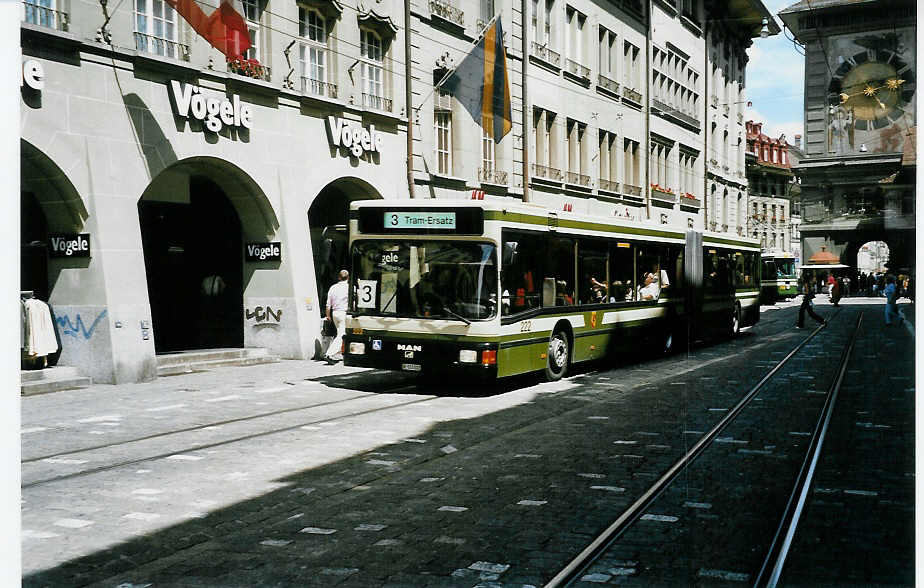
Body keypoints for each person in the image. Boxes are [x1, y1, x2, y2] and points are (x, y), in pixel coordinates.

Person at [324, 269, 349, 364]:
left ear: (339, 277)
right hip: (343, 313)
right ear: (348, 278)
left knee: (339, 333)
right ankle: (329, 354)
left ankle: (339, 353)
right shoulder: (349, 287)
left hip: (334, 313)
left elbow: (328, 304)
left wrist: (328, 315)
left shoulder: (333, 287)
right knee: (342, 334)